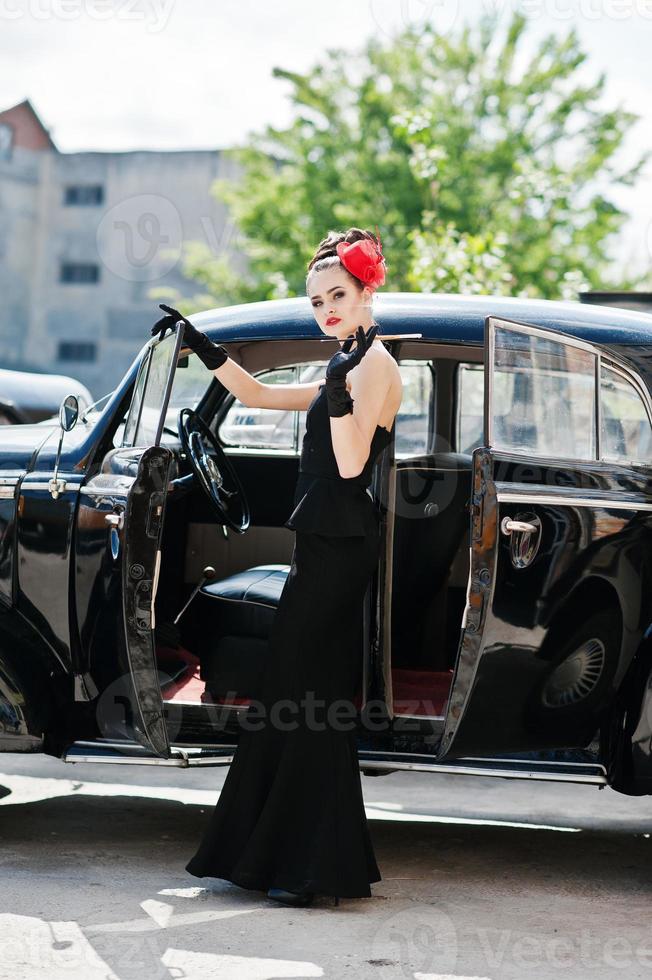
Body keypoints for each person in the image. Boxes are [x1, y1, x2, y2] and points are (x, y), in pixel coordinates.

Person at [151, 227, 402, 907]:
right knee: (294, 696)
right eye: (317, 298)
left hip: (340, 546)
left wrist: (343, 389)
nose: (325, 308)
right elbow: (259, 399)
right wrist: (204, 346)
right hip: (320, 543)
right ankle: (284, 859)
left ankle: (309, 868)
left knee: (308, 696)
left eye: (337, 295)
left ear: (365, 290)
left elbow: (351, 465)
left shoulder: (373, 364)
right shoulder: (345, 360)